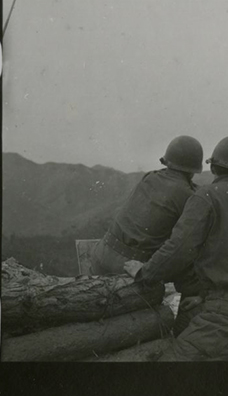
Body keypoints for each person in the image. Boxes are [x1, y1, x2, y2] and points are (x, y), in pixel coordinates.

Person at [127, 136, 228, 361]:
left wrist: (144, 272)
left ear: (213, 166)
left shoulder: (207, 196)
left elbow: (179, 248)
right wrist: (204, 298)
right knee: (186, 325)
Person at [87, 136, 205, 332]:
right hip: (128, 267)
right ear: (193, 170)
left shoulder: (149, 177)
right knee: (190, 260)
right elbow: (183, 248)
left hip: (101, 257)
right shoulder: (188, 196)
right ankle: (183, 329)